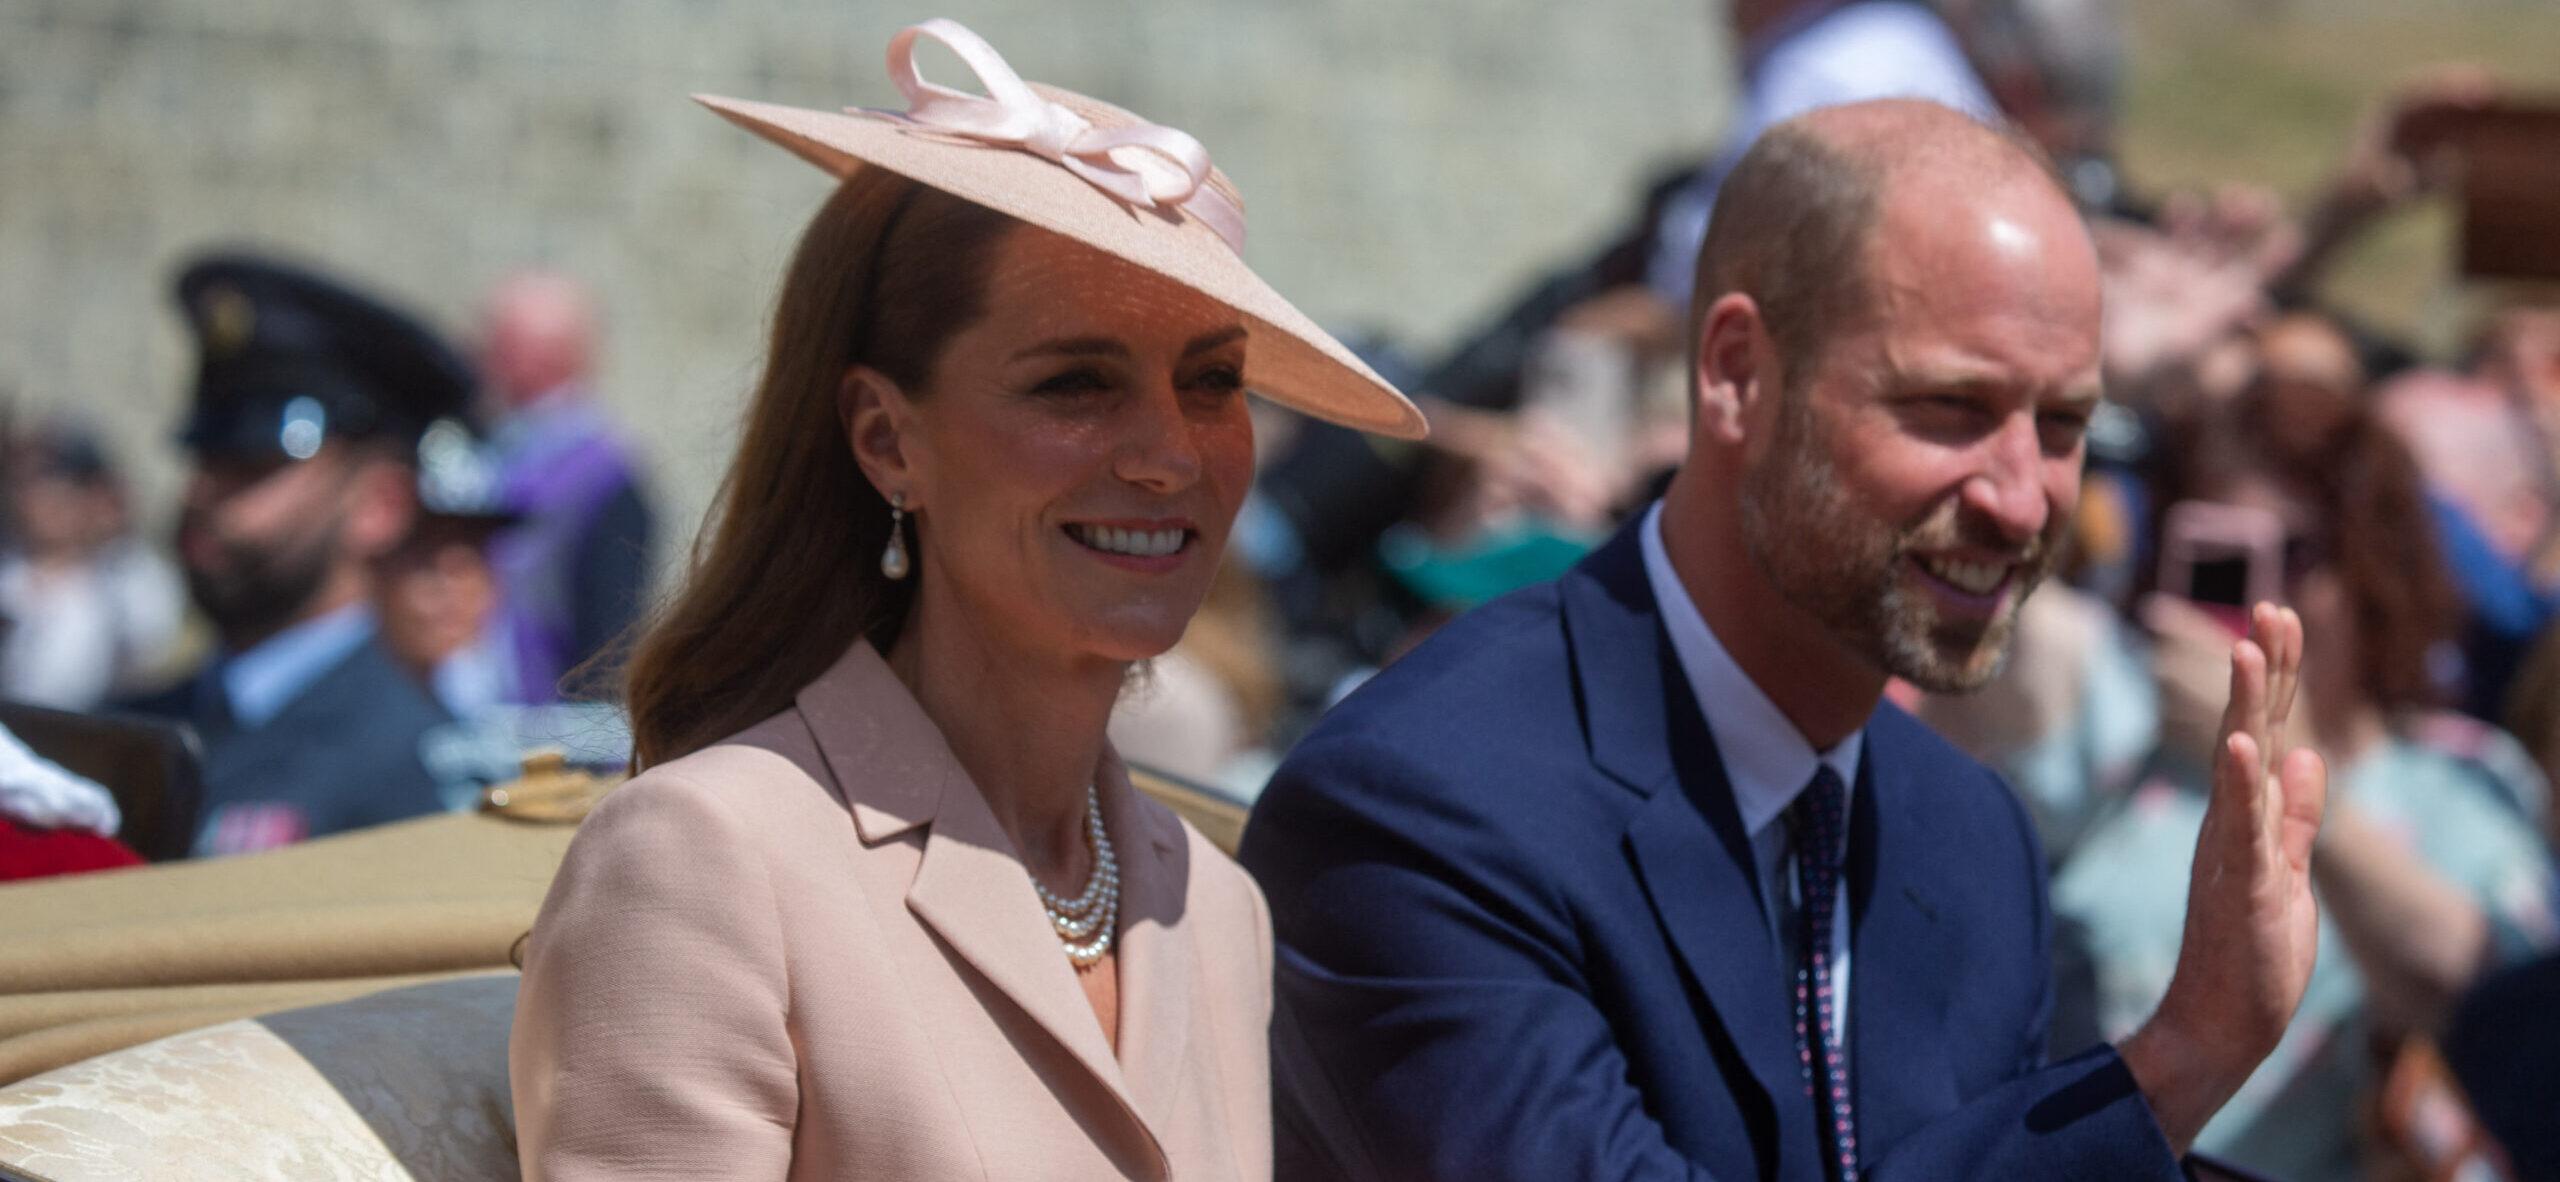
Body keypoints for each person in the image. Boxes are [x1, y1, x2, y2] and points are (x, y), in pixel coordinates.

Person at [1241, 100, 2326, 1180]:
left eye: (2062, 427)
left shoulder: (1971, 837)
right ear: (1736, 374)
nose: (2021, 499)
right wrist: (2174, 1065)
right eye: (1950, 406)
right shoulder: (1426, 808)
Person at [508, 19, 1425, 1181]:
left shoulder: (1215, 906)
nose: (1168, 455)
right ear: (887, 440)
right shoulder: (704, 860)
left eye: (1210, 382)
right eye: (1076, 382)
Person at [2053, 369, 2557, 1178]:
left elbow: (2478, 991)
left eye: (2290, 556)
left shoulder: (2459, 780)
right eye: (2221, 556)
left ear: (2369, 567)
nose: (2261, 598)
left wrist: (2291, 772)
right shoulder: (2118, 727)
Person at [119, 253, 461, 857]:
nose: (202, 493)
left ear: (378, 506)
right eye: (205, 457)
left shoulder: (409, 765)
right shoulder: (128, 728)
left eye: (252, 466)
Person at [478, 271, 656, 702]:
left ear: (547, 355)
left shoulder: (604, 476)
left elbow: (609, 635)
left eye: (500, 344)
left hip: (550, 719)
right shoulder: (496, 446)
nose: (481, 356)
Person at [0, 420, 187, 711]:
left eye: (51, 485)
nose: (29, 499)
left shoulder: (129, 577)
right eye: (22, 483)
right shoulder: (10, 568)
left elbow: (152, 648)